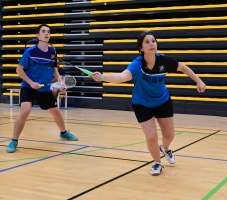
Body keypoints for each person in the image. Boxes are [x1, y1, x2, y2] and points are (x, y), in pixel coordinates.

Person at [91, 31, 206, 175]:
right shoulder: (137, 64)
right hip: (142, 103)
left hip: (162, 100)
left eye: (153, 41)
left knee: (169, 135)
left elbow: (183, 67)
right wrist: (103, 77)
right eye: (147, 42)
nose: (152, 44)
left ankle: (165, 147)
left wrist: (199, 81)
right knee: (151, 137)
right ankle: (157, 162)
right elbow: (122, 76)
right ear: (141, 48)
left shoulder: (164, 61)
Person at [6, 24, 78, 153]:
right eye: (44, 31)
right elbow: (19, 70)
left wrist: (61, 81)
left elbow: (55, 69)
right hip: (29, 87)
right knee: (25, 111)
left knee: (55, 112)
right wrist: (31, 82)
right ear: (37, 35)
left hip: (44, 89)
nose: (47, 34)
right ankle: (14, 140)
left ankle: (63, 133)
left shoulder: (52, 52)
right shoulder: (30, 52)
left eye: (48, 32)